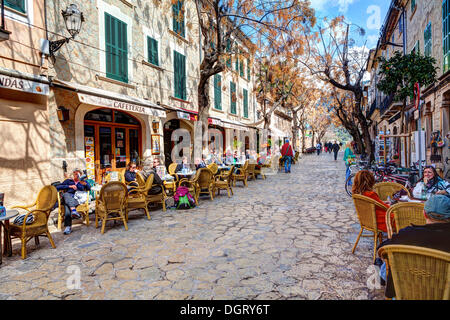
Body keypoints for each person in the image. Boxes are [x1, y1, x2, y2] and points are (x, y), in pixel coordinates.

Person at [377, 195, 450, 299]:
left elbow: (382, 250)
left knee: (388, 265)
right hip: (443, 294)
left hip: (406, 292)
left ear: (424, 214)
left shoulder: (407, 234)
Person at [56, 168, 91, 235]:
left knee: (67, 205)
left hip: (77, 200)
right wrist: (70, 186)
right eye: (75, 174)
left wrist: (85, 184)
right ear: (73, 174)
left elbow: (89, 188)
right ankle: (74, 211)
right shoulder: (69, 181)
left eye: (78, 174)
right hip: (68, 197)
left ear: (80, 175)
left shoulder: (82, 181)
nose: (76, 176)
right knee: (66, 195)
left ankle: (68, 226)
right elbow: (57, 187)